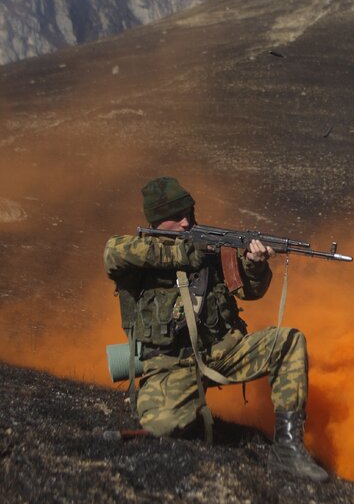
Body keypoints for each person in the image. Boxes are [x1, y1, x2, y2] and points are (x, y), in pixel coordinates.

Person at [104, 177, 329, 482]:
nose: (186, 222)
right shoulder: (138, 252)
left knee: (288, 341)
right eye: (177, 216)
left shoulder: (211, 247)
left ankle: (288, 450)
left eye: (189, 213)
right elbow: (113, 252)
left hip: (223, 351)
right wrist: (183, 254)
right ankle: (205, 422)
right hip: (170, 363)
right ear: (157, 220)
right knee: (165, 428)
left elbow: (251, 292)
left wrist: (254, 264)